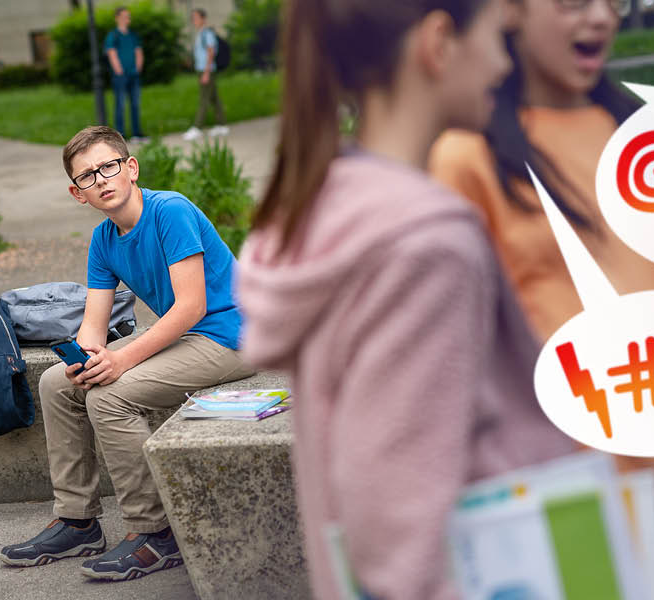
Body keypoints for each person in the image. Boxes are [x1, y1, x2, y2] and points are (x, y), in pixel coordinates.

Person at [236, 0, 579, 597]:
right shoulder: (428, 244)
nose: (505, 62)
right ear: (439, 42)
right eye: (498, 36)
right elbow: (398, 526)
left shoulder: (332, 207)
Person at [428, 1, 654, 598]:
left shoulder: (652, 138)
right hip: (560, 490)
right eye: (572, 3)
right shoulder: (465, 156)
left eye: (613, 2)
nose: (601, 18)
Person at [0, 125, 253, 581]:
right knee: (57, 383)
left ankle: (155, 532)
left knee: (111, 394)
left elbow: (192, 306)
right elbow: (94, 327)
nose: (101, 180)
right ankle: (78, 521)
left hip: (231, 337)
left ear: (130, 168)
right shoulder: (103, 239)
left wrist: (121, 360)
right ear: (78, 194)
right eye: (88, 177)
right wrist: (84, 356)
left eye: (108, 167)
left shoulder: (169, 210)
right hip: (187, 336)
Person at [184, 9, 229, 141]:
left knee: (204, 98)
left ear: (203, 18)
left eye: (196, 18)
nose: (194, 21)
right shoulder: (201, 33)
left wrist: (207, 73)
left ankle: (197, 127)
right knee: (214, 98)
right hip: (203, 70)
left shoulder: (207, 33)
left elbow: (210, 53)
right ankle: (222, 125)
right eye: (193, 18)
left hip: (206, 70)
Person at [105, 6, 147, 142]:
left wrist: (138, 68)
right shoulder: (114, 35)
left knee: (135, 103)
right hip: (121, 76)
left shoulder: (132, 35)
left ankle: (137, 133)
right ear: (117, 18)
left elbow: (138, 51)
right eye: (124, 16)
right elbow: (112, 53)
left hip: (133, 74)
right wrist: (119, 70)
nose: (127, 19)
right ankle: (121, 135)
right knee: (120, 104)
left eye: (128, 16)